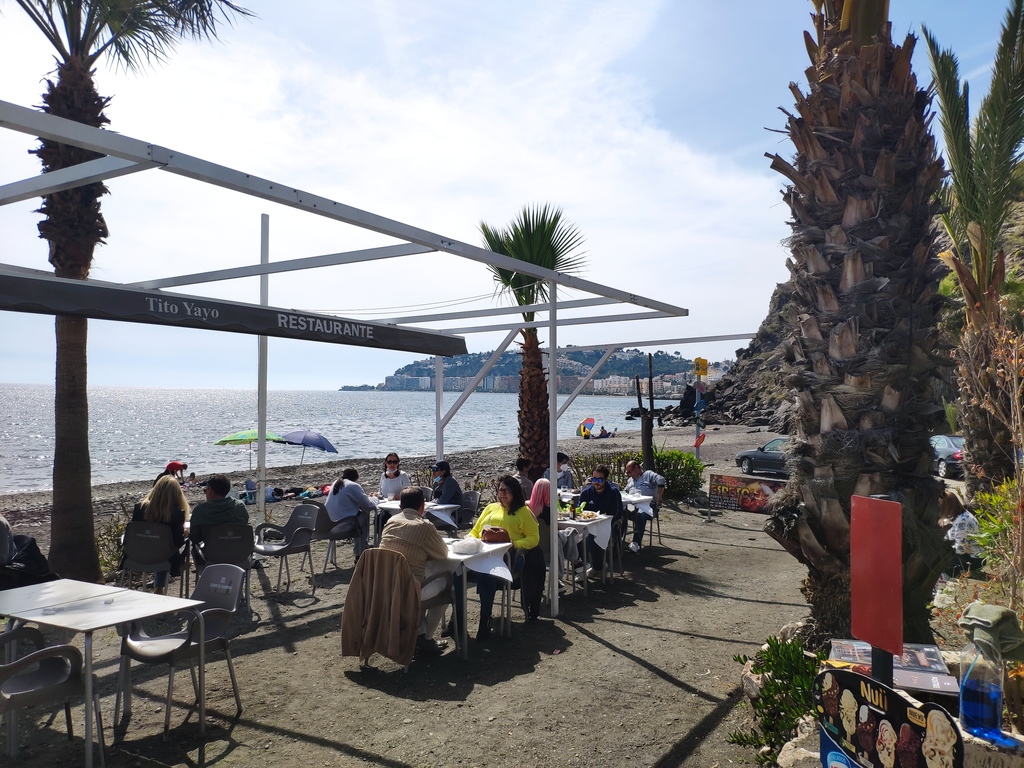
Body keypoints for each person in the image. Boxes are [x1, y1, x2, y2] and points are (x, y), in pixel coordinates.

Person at [458, 476, 544, 636]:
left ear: (515, 493)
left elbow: (534, 538)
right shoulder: (490, 508)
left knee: (486, 573)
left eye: (506, 491)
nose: (502, 493)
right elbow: (475, 531)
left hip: (509, 557)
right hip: (483, 553)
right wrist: (471, 541)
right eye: (500, 490)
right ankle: (456, 621)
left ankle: (485, 619)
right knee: (457, 573)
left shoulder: (523, 512)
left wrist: (514, 544)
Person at [378, 487, 451, 658]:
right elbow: (442, 554)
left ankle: (418, 633)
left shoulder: (391, 522)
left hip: (386, 586)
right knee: (447, 586)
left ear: (400, 506)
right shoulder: (424, 526)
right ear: (423, 505)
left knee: (422, 576)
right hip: (409, 589)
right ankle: (426, 638)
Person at [132, 474, 190, 594]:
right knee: (167, 547)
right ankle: (162, 584)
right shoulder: (176, 514)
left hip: (137, 555)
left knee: (160, 545)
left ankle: (159, 586)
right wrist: (184, 534)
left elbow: (134, 531)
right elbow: (178, 543)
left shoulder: (139, 508)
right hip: (164, 557)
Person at [528, 478, 579, 592]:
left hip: (531, 545)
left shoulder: (526, 508)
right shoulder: (547, 510)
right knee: (569, 533)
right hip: (547, 548)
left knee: (565, 535)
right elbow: (551, 533)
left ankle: (576, 563)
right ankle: (575, 563)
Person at [577, 464, 623, 575]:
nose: (596, 482)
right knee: (573, 535)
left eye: (600, 479)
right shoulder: (586, 492)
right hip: (587, 524)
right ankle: (581, 566)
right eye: (594, 479)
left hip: (608, 525)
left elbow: (618, 512)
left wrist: (605, 519)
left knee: (590, 538)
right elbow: (579, 510)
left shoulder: (613, 492)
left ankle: (597, 567)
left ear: (606, 479)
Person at [189, 474, 249, 558]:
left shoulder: (200, 510)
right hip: (238, 555)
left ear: (210, 490)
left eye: (206, 490)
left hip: (212, 557)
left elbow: (195, 538)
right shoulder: (240, 507)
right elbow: (244, 526)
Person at [325, 467, 375, 560]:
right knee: (364, 515)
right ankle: (359, 552)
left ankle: (362, 547)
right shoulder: (353, 485)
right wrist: (375, 498)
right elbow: (369, 505)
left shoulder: (336, 483)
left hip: (329, 525)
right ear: (356, 478)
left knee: (359, 519)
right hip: (342, 525)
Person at [624, 460, 666, 552]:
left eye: (630, 471)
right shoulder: (630, 481)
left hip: (648, 505)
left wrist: (659, 496)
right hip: (632, 505)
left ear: (636, 468)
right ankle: (618, 540)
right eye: (627, 473)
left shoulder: (648, 475)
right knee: (620, 512)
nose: (629, 474)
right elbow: (624, 493)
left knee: (641, 513)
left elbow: (661, 480)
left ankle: (636, 543)